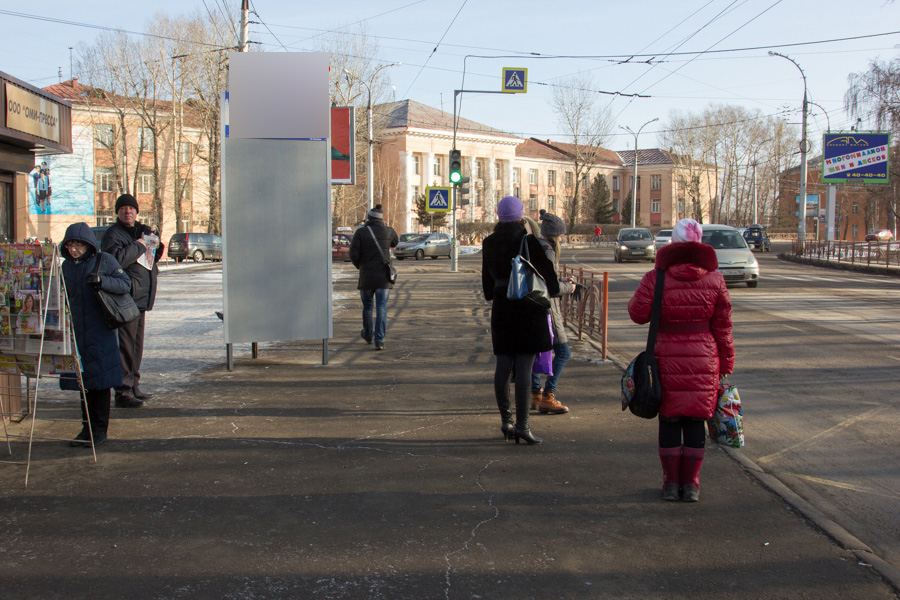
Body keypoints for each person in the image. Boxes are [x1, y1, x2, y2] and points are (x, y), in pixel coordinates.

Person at [627, 218, 734, 502]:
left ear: (672, 243)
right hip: (704, 360)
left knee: (670, 420)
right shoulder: (716, 279)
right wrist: (726, 364)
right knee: (696, 421)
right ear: (700, 244)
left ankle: (671, 484)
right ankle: (692, 485)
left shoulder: (657, 277)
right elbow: (723, 327)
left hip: (667, 358)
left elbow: (637, 314)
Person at [482, 196, 560, 445]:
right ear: (520, 216)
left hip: (502, 310)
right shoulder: (529, 242)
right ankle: (523, 426)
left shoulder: (489, 242)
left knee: (503, 365)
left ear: (498, 216)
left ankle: (506, 421)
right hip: (528, 308)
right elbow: (552, 282)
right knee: (524, 367)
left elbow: (486, 288)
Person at [59, 222, 133, 447]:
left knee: (100, 384)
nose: (74, 250)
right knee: (83, 384)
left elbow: (125, 284)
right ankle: (87, 429)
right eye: (70, 245)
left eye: (78, 245)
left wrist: (102, 281)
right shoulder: (65, 267)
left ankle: (99, 430)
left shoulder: (104, 260)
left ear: (88, 244)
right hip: (76, 334)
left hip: (100, 332)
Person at [101, 193, 164, 408]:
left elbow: (151, 257)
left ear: (137, 211)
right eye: (123, 208)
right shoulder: (113, 234)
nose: (128, 211)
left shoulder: (141, 230)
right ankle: (123, 391)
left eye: (131, 208)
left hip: (141, 297)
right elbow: (115, 261)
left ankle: (133, 385)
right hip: (125, 299)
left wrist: (155, 242)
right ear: (117, 212)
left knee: (136, 346)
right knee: (125, 346)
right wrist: (139, 244)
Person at [530, 212, 575, 415]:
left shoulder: (534, 246)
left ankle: (535, 394)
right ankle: (548, 395)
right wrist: (570, 287)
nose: (562, 240)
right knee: (563, 352)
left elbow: (546, 279)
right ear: (555, 235)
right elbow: (552, 288)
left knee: (535, 351)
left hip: (534, 306)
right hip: (549, 310)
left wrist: (560, 280)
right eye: (561, 236)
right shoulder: (548, 250)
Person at [349, 204, 398, 351]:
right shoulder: (389, 231)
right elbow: (395, 242)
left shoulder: (361, 232)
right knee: (382, 307)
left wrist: (360, 266)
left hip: (366, 276)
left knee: (368, 306)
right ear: (381, 219)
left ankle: (368, 335)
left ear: (368, 218)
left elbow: (353, 254)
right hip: (383, 277)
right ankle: (380, 340)